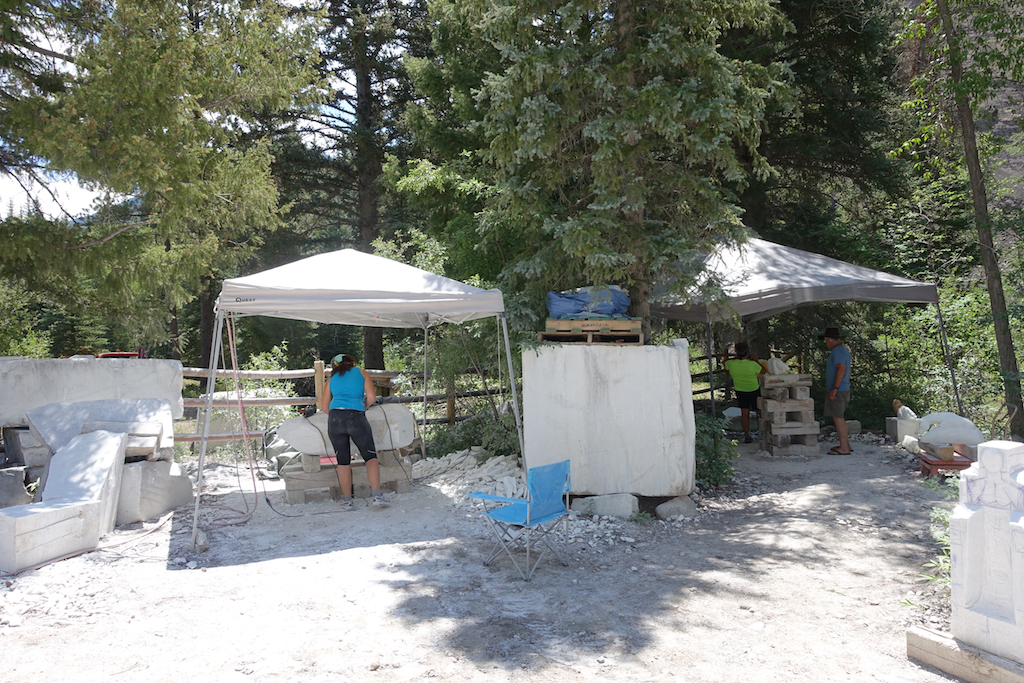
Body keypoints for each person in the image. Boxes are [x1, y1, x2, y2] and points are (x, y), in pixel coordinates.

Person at [320, 353, 388, 510]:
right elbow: (371, 397)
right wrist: (363, 408)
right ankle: (377, 497)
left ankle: (348, 502)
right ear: (352, 362)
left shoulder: (331, 379)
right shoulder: (361, 372)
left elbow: (324, 407)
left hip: (335, 418)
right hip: (356, 416)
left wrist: (338, 415)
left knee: (343, 461)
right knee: (370, 457)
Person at [724, 341, 765, 443]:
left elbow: (724, 363)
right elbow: (763, 371)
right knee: (760, 412)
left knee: (744, 413)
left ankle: (747, 436)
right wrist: (756, 360)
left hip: (740, 391)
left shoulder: (731, 364)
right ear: (747, 352)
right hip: (754, 390)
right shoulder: (752, 364)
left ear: (736, 352)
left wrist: (733, 358)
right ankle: (765, 433)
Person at [821, 327, 852, 455]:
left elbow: (842, 369)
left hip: (838, 390)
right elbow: (848, 371)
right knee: (840, 417)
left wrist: (835, 388)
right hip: (844, 388)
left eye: (825, 340)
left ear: (828, 339)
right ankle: (846, 445)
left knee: (838, 417)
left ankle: (844, 448)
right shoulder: (844, 350)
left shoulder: (837, 351)